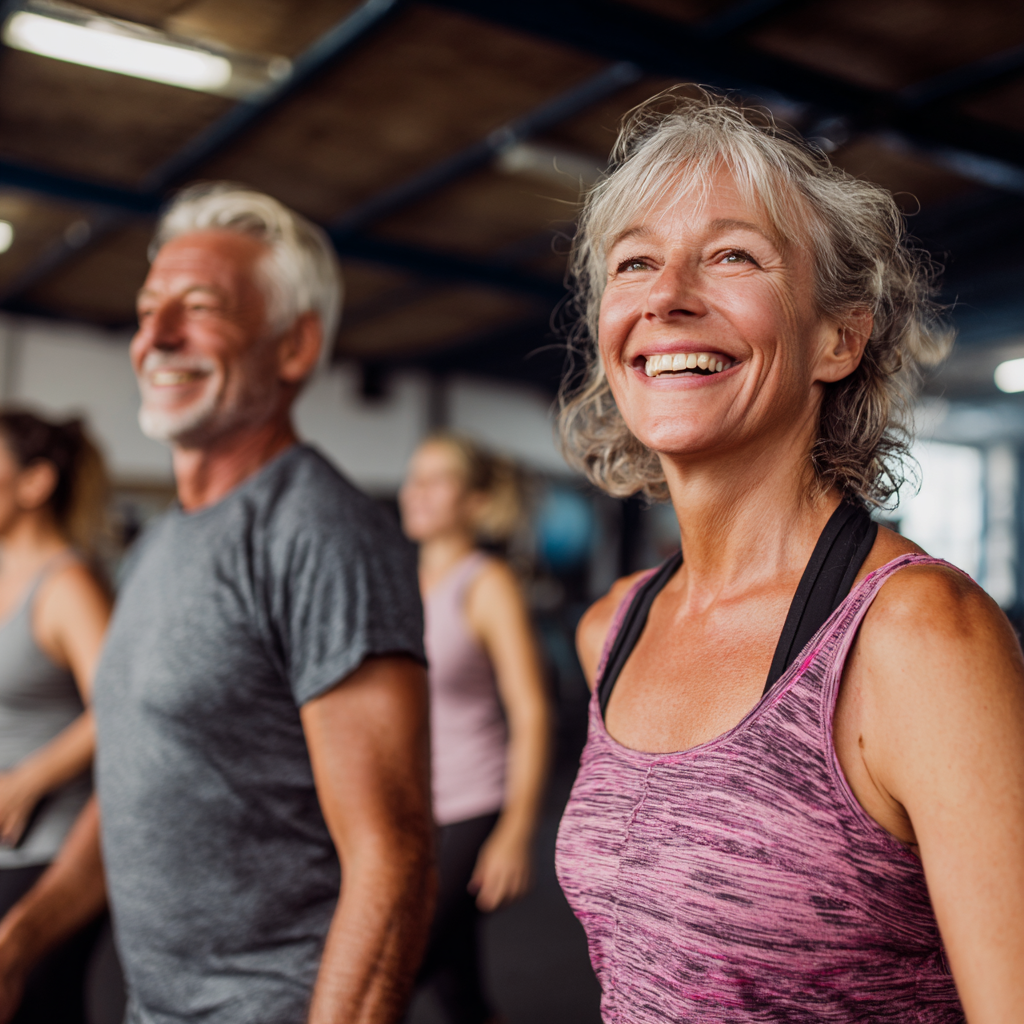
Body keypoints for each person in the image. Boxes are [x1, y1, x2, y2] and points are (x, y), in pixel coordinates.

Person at [553, 89, 1024, 1022]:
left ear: (837, 338)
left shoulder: (919, 638)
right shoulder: (613, 628)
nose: (669, 296)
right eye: (636, 261)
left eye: (732, 255)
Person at [0, 184, 435, 1024]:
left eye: (197, 308)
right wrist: (22, 938)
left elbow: (395, 856)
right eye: (148, 308)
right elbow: (138, 785)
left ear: (294, 345)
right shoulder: (161, 545)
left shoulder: (319, 532)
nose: (156, 337)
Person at [399, 434, 550, 1024]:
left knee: (399, 968)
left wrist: (515, 831)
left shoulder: (486, 584)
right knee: (455, 986)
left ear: (475, 502)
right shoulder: (399, 582)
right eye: (415, 476)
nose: (417, 491)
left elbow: (531, 709)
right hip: (413, 806)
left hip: (472, 802)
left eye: (437, 479)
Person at [0, 411, 112, 1022]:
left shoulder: (66, 585)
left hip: (44, 851)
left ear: (35, 483)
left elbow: (120, 708)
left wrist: (27, 780)